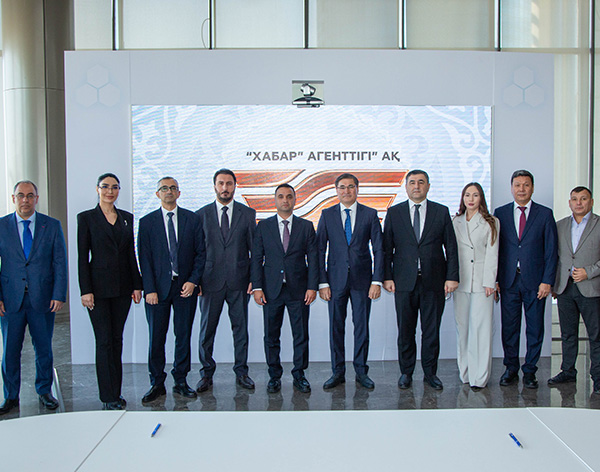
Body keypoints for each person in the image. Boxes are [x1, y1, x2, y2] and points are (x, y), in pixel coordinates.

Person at [383, 169, 459, 391]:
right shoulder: (394, 213)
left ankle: (430, 373)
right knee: (405, 331)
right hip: (403, 282)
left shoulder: (441, 211)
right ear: (406, 186)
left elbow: (451, 248)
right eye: (412, 182)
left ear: (428, 186)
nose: (416, 186)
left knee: (431, 331)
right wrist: (387, 277)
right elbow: (386, 249)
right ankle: (406, 372)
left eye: (421, 182)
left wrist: (452, 277)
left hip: (434, 282)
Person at [0, 180, 67, 414]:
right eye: (21, 195)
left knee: (43, 349)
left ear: (36, 199)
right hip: (11, 301)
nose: (25, 200)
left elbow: (60, 262)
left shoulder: (51, 225)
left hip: (43, 298)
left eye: (30, 196)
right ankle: (11, 396)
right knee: (10, 351)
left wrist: (59, 294)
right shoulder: (2, 226)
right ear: (13, 198)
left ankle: (44, 391)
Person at [78, 173, 143, 410]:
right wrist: (85, 290)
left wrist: (137, 284)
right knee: (104, 341)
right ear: (97, 189)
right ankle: (108, 397)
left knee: (117, 340)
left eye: (114, 187)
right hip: (98, 290)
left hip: (123, 289)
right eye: (105, 187)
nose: (110, 191)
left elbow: (130, 254)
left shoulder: (127, 218)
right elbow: (82, 257)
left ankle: (116, 392)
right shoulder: (86, 218)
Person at [138, 177, 205, 403]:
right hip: (157, 290)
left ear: (179, 193)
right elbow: (144, 258)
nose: (169, 191)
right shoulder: (147, 222)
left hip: (185, 287)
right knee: (156, 337)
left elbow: (201, 253)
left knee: (183, 335)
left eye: (173, 188)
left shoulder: (192, 219)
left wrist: (193, 281)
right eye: (164, 188)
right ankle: (157, 382)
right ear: (158, 193)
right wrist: (149, 289)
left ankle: (181, 380)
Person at [317, 173, 384, 390]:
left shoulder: (370, 214)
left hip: (362, 281)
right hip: (334, 281)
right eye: (342, 187)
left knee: (361, 327)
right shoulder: (327, 215)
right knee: (335, 327)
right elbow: (319, 250)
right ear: (336, 190)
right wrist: (322, 283)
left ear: (357, 189)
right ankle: (337, 371)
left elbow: (379, 249)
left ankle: (361, 371)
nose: (346, 191)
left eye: (351, 187)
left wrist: (377, 280)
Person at [251, 184, 318, 393]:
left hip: (299, 290)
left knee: (301, 334)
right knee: (271, 335)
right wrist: (257, 287)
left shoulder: (306, 226)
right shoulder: (263, 226)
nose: (285, 200)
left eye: (289, 196)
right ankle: (274, 375)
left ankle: (299, 374)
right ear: (275, 200)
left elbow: (313, 260)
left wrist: (312, 287)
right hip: (271, 290)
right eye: (281, 196)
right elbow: (256, 259)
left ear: (295, 199)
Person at [494, 169, 557, 389]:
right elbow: (495, 250)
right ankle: (511, 368)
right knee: (509, 328)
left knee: (535, 328)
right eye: (517, 185)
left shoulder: (545, 214)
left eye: (526, 185)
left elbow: (551, 251)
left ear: (532, 187)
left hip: (536, 282)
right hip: (509, 281)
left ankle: (530, 371)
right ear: (512, 188)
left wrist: (547, 280)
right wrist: (495, 279)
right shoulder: (500, 213)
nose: (521, 189)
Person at [196, 169, 256, 391]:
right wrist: (196, 279)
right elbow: (196, 252)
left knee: (240, 330)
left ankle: (242, 372)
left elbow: (255, 250)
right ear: (214, 186)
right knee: (206, 331)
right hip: (209, 281)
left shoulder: (247, 214)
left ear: (235, 186)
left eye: (229, 183)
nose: (225, 188)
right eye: (221, 183)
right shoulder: (201, 214)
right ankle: (206, 374)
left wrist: (254, 279)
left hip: (239, 281)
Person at [549, 186, 600, 394]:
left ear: (591, 202)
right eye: (575, 199)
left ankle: (598, 377)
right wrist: (554, 284)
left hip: (591, 288)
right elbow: (554, 257)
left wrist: (589, 272)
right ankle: (568, 371)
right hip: (565, 288)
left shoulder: (598, 224)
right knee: (568, 334)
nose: (579, 203)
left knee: (596, 336)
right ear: (569, 203)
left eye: (583, 199)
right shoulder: (560, 225)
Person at [452, 182, 499, 390]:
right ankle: (465, 372)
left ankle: (480, 377)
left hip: (482, 282)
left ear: (481, 198)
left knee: (481, 329)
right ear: (463, 198)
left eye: (475, 195)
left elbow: (493, 253)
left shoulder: (491, 222)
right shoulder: (456, 221)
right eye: (467, 195)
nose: (471, 199)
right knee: (462, 328)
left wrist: (490, 281)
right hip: (461, 281)